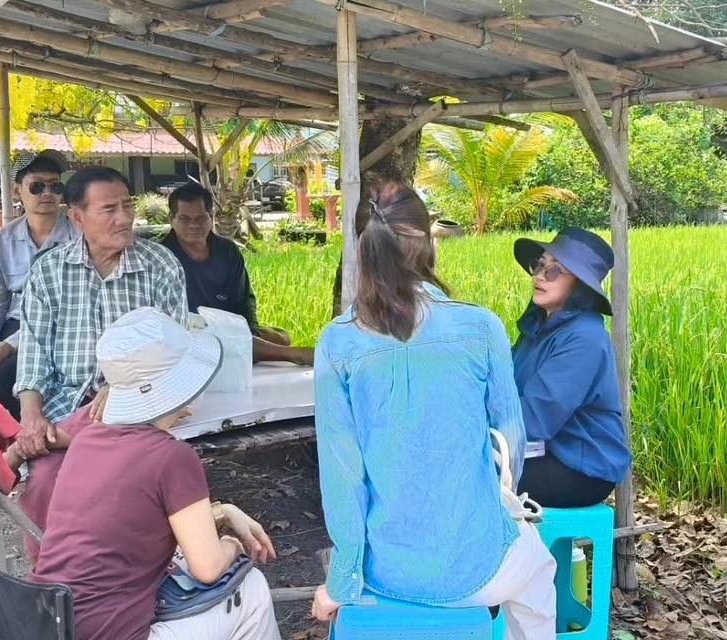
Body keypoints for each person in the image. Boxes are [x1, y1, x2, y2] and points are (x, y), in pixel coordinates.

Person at [310, 182, 556, 639]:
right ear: (430, 244)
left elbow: (342, 478)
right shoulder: (481, 326)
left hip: (387, 574)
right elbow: (512, 446)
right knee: (540, 576)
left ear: (363, 251)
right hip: (476, 566)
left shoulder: (337, 341)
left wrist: (341, 583)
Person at [31, 307, 281, 640]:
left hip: (48, 623)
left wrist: (224, 511)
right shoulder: (173, 456)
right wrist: (232, 544)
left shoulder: (87, 440)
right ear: (181, 389)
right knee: (252, 589)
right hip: (112, 633)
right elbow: (207, 568)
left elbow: (130, 520)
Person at [14, 166, 188, 460]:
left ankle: (20, 455)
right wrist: (31, 418)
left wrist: (122, 387)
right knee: (47, 478)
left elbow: (176, 350)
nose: (125, 218)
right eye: (109, 209)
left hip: (139, 401)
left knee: (125, 459)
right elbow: (33, 356)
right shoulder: (48, 272)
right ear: (77, 218)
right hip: (65, 404)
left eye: (128, 205)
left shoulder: (160, 265)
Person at [509, 227, 629, 508]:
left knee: (473, 476)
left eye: (554, 271)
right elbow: (505, 386)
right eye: (540, 265)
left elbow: (536, 417)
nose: (540, 275)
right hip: (543, 451)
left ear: (579, 285)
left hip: (581, 468)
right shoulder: (538, 328)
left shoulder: (585, 338)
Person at [0, 149, 76, 420]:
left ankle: (19, 451)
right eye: (37, 186)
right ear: (18, 191)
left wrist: (10, 345)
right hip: (16, 323)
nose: (47, 193)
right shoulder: (2, 240)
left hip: (62, 330)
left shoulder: (79, 235)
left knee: (3, 381)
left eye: (55, 186)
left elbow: (72, 307)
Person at [159, 184, 312, 366]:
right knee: (228, 341)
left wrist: (250, 332)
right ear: (172, 219)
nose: (194, 225)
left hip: (228, 326)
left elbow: (244, 300)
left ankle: (260, 347)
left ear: (211, 216)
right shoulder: (161, 256)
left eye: (200, 218)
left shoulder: (227, 250)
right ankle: (293, 355)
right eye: (184, 219)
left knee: (282, 337)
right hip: (187, 335)